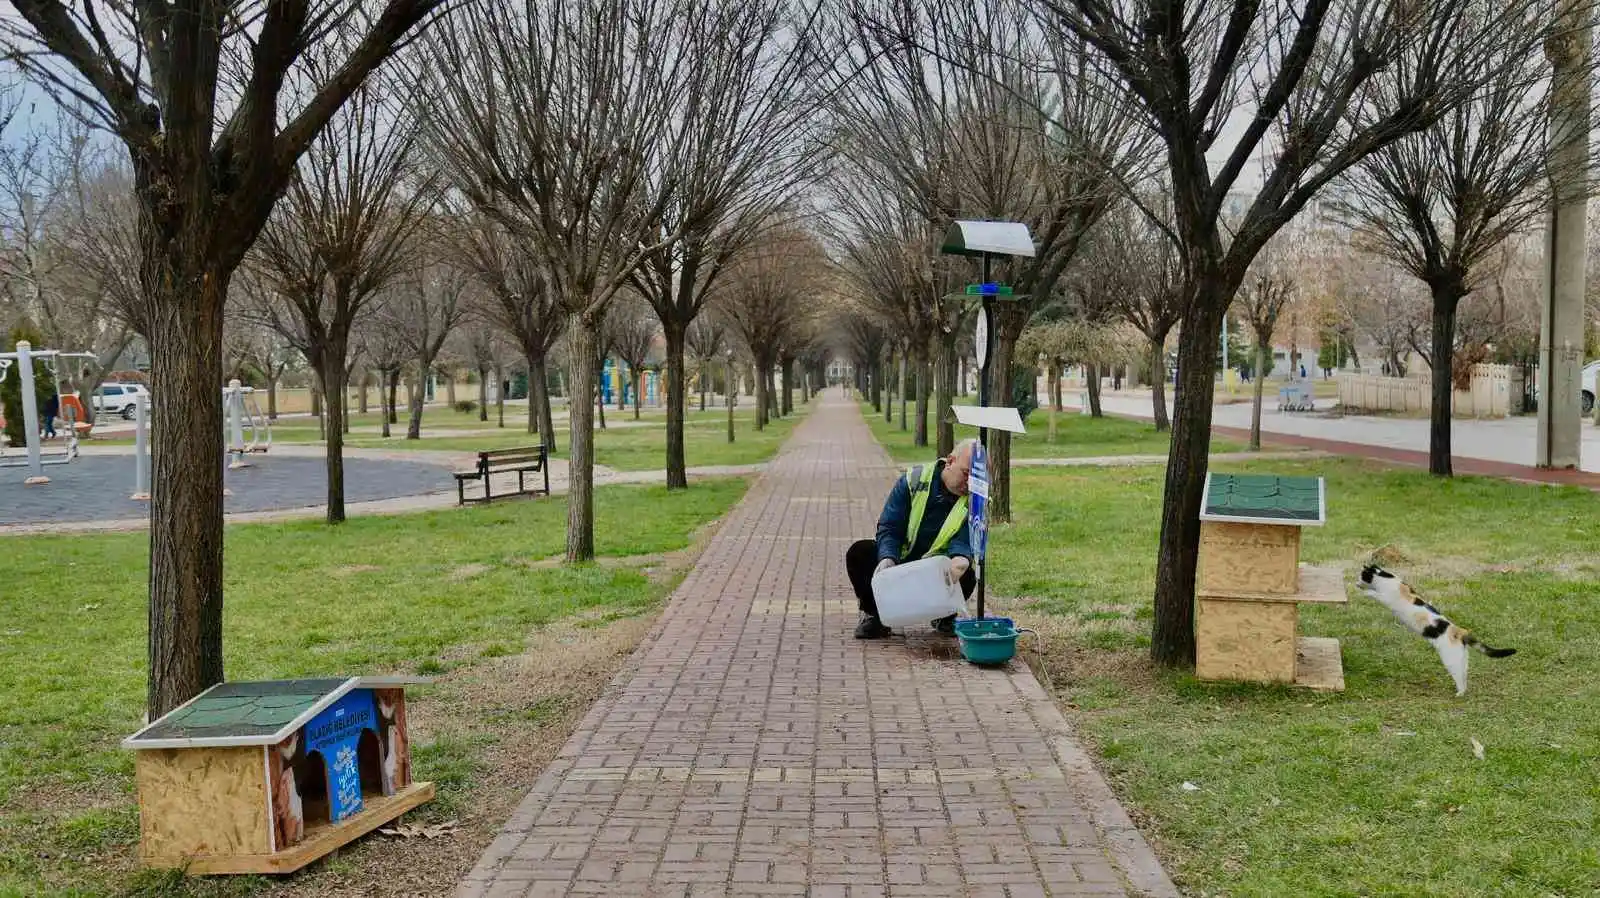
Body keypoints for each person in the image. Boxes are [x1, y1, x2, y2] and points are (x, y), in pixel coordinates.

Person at [845, 439, 978, 639]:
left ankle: (944, 617)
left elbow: (966, 537)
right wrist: (887, 557)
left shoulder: (976, 500)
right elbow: (890, 526)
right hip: (900, 562)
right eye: (966, 474)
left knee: (967, 575)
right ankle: (876, 616)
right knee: (860, 553)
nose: (969, 484)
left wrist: (961, 558)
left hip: (934, 571)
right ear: (950, 461)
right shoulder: (914, 479)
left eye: (976, 479)